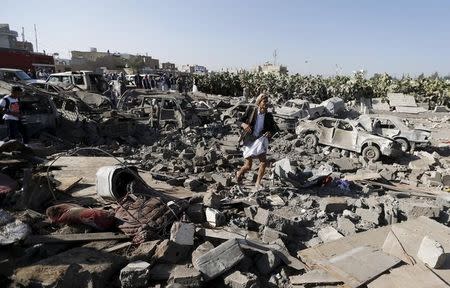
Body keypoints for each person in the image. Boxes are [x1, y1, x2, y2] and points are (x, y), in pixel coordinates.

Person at [236, 93, 278, 190]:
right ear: (259, 102)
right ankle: (239, 173)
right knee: (248, 166)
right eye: (264, 102)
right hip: (249, 140)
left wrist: (269, 132)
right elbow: (238, 121)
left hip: (260, 140)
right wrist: (244, 125)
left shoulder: (269, 116)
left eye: (267, 102)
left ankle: (258, 183)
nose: (266, 104)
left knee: (263, 162)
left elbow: (275, 128)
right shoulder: (251, 111)